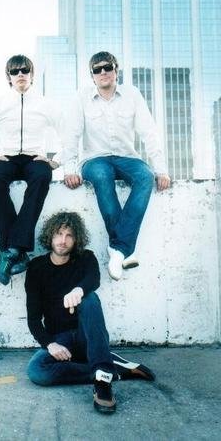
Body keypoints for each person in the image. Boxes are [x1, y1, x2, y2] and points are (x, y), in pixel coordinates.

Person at [25, 211, 156, 414]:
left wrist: (79, 290)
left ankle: (102, 381)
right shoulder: (36, 268)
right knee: (37, 371)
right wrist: (50, 345)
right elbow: (33, 320)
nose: (63, 240)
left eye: (69, 235)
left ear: (76, 239)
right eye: (59, 234)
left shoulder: (86, 258)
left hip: (87, 335)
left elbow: (93, 279)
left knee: (90, 298)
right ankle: (111, 368)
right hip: (61, 340)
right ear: (50, 235)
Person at [63, 51, 171, 281]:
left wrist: (161, 169)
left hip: (126, 157)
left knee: (145, 176)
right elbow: (71, 135)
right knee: (102, 174)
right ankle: (125, 250)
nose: (103, 72)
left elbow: (149, 133)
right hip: (94, 159)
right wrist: (69, 169)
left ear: (116, 70)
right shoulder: (81, 97)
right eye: (97, 69)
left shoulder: (132, 94)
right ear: (92, 75)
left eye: (108, 67)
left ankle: (118, 249)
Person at [0, 54, 62, 285]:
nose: (20, 74)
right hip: (7, 157)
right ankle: (15, 249)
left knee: (43, 174)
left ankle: (10, 250)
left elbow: (68, 131)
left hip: (34, 157)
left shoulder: (45, 104)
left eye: (25, 70)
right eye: (15, 71)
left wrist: (56, 159)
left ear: (32, 74)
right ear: (8, 76)